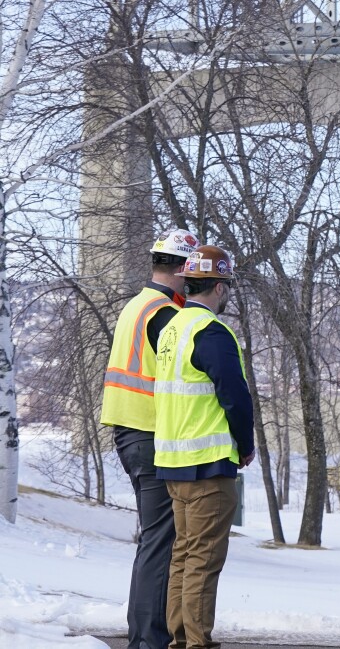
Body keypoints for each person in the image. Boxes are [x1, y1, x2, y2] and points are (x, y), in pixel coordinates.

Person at [100, 229, 198, 649]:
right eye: (192, 270)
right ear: (181, 268)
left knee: (155, 540)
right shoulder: (164, 314)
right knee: (160, 542)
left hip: (130, 432)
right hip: (151, 434)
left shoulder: (137, 305)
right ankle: (148, 640)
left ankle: (145, 635)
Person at [152, 245, 254, 649]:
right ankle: (196, 642)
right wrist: (245, 445)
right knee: (202, 562)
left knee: (183, 557)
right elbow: (235, 395)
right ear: (218, 286)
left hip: (174, 464)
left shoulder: (170, 329)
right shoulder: (211, 332)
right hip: (208, 467)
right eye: (225, 286)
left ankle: (180, 638)